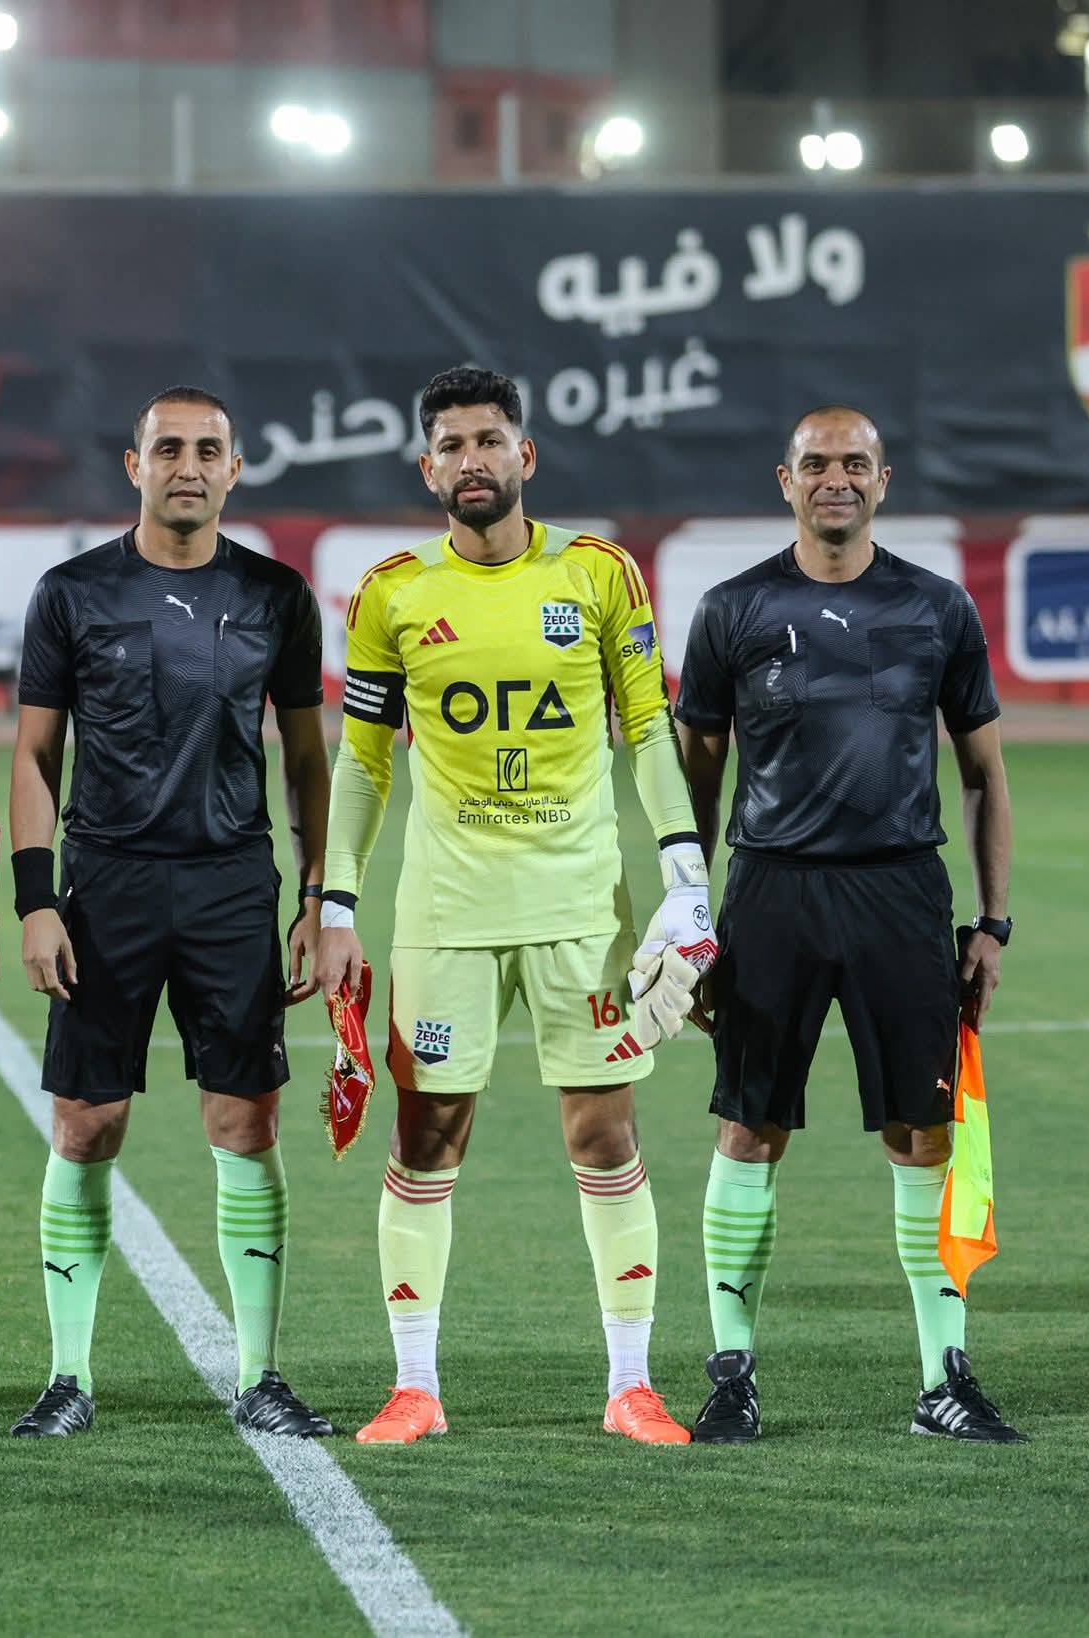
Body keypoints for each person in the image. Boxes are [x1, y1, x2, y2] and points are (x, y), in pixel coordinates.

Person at [317, 365, 711, 1447]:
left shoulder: (598, 574)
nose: (472, 460)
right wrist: (337, 903)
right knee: (427, 1135)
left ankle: (630, 1384)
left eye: (488, 440)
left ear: (524, 455)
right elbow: (362, 762)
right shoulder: (392, 593)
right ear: (426, 467)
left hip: (582, 911)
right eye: (450, 444)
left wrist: (685, 870)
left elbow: (646, 727)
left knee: (603, 1132)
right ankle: (414, 1387)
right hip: (443, 915)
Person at [674, 405, 1026, 1443]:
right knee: (749, 1126)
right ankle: (731, 1376)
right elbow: (694, 779)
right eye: (817, 463)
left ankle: (943, 1380)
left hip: (900, 894)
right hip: (770, 893)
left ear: (883, 480)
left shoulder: (936, 607)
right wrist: (685, 914)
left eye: (855, 463)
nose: (836, 478)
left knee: (922, 1133)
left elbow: (984, 775)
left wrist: (991, 921)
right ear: (784, 480)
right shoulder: (732, 610)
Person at [8, 386, 334, 1439]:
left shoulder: (276, 596)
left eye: (207, 450)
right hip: (105, 886)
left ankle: (260, 1375)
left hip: (232, 885)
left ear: (234, 469)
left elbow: (306, 756)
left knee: (244, 1121)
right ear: (134, 464)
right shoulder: (72, 593)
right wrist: (35, 901)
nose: (186, 466)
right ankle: (67, 1377)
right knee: (86, 1122)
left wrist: (317, 895)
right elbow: (34, 756)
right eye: (168, 449)